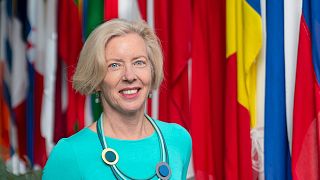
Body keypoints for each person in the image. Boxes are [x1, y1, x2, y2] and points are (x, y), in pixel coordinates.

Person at [42, 19, 192, 180]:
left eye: (139, 62)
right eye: (114, 65)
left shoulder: (178, 139)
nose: (129, 76)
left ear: (152, 70)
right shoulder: (70, 153)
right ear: (97, 79)